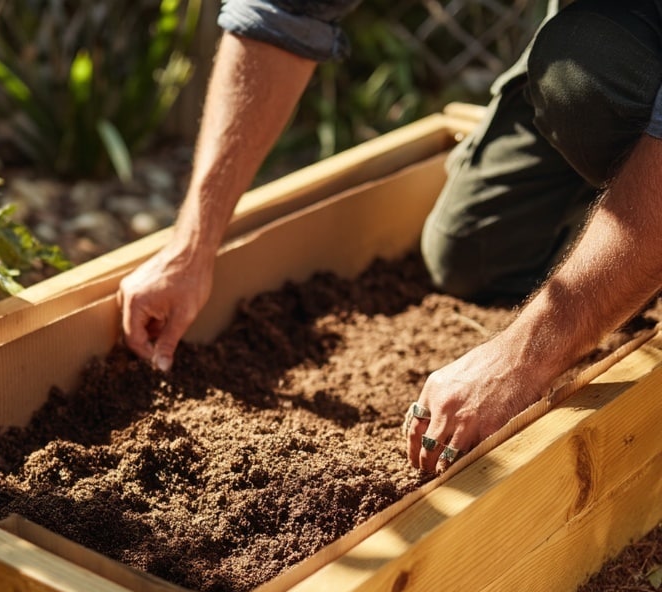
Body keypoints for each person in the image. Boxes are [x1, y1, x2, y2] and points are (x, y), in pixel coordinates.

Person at [117, 0, 662, 475]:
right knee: (469, 252)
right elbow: (282, 15)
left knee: (590, 62)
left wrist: (523, 359)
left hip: (610, 56)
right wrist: (190, 247)